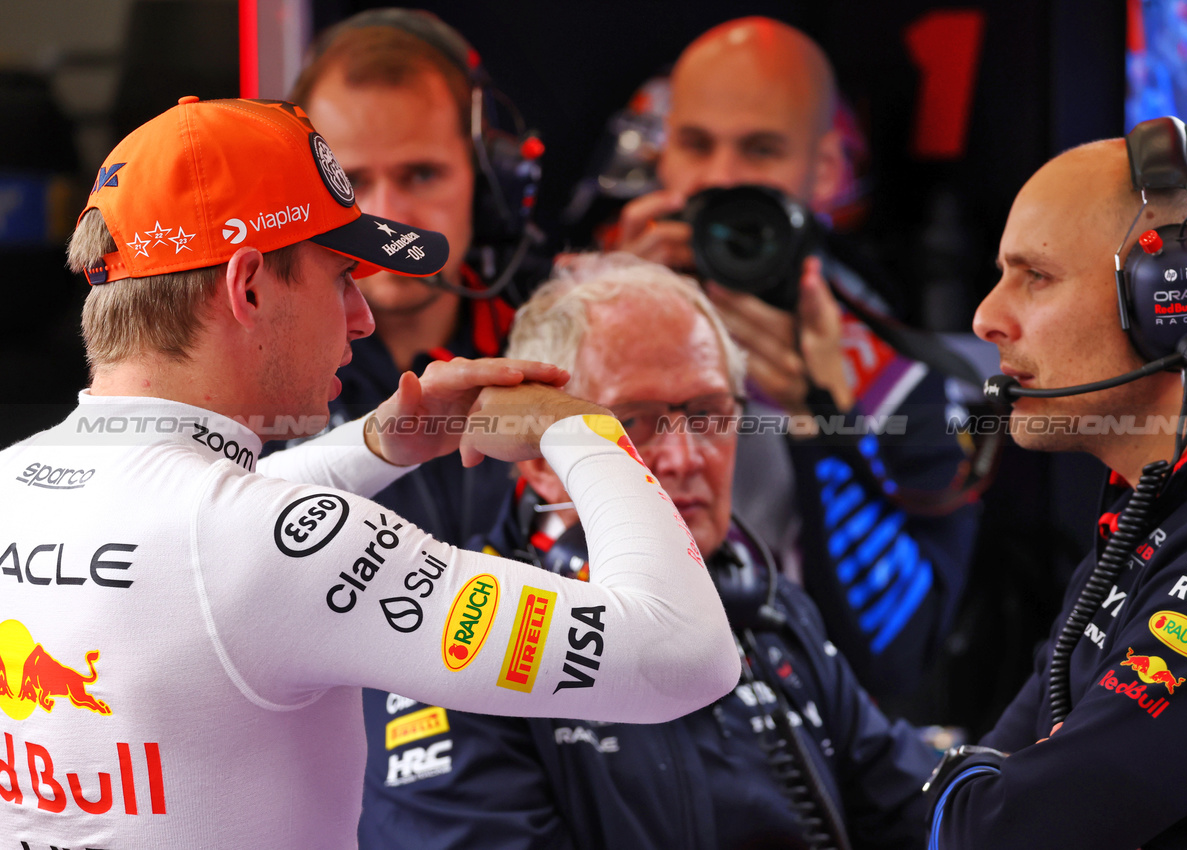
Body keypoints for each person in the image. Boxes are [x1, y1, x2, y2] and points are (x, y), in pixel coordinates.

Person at [0, 96, 738, 848]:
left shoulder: (16, 484)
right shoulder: (269, 549)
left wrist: (384, 442)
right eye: (340, 276)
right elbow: (686, 655)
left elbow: (209, 532)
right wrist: (582, 429)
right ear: (247, 287)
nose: (362, 317)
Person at [359, 252, 938, 850]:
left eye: (710, 414)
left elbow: (922, 806)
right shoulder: (457, 647)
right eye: (632, 422)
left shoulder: (767, 608)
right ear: (536, 461)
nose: (686, 458)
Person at [604, 16, 980, 701]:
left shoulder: (905, 387)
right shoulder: (581, 312)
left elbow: (894, 665)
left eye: (759, 150)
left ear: (826, 170)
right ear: (661, 156)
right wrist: (603, 339)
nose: (719, 179)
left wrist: (824, 425)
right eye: (694, 144)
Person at [924, 129, 1187, 848]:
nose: (985, 316)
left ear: (1177, 300)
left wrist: (970, 792)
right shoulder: (1159, 506)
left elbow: (1001, 832)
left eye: (1034, 277)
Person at [287, 9, 528, 546]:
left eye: (421, 174)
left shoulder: (566, 346)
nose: (387, 214)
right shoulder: (249, 376)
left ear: (487, 187)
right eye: (348, 180)